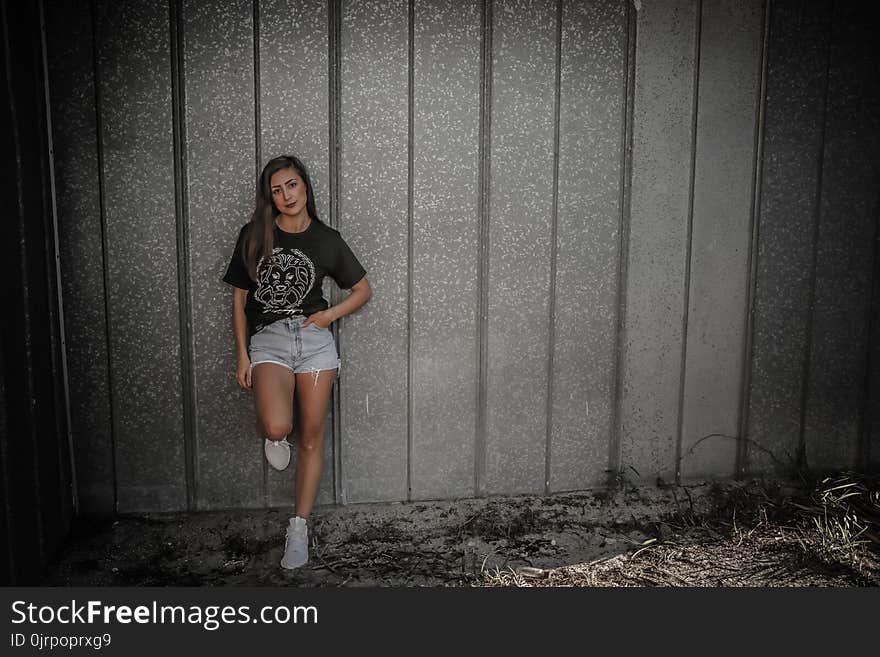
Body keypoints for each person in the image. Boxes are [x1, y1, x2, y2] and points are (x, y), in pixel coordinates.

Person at [222, 155, 371, 570]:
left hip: (314, 343)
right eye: (277, 189)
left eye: (292, 185)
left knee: (310, 436)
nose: (286, 195)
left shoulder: (327, 239)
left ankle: (298, 528)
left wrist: (327, 316)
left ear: (305, 187)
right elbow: (238, 298)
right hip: (268, 339)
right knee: (278, 426)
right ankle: (274, 436)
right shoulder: (254, 235)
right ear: (269, 197)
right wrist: (242, 354)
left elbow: (362, 289)